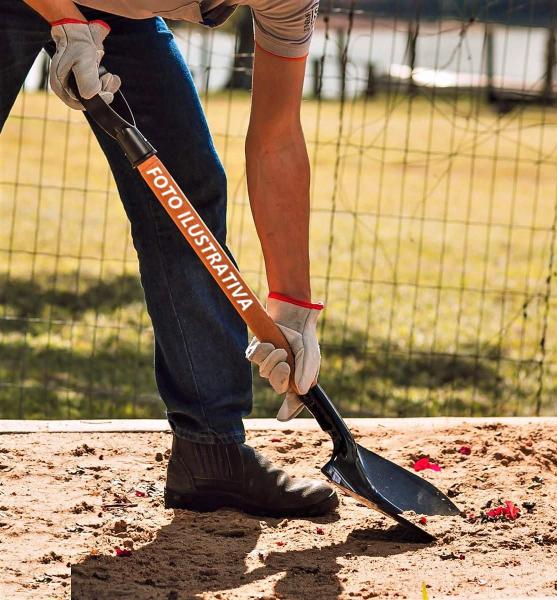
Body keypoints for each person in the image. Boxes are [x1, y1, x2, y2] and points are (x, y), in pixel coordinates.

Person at [2, 0, 337, 517]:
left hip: (116, 11)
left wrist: (293, 306)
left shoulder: (290, 5)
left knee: (185, 189)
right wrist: (65, 20)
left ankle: (210, 451)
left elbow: (277, 138)